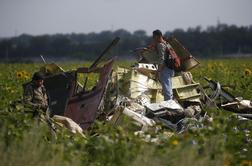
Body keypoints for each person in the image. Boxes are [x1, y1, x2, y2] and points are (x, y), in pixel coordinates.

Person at [149, 29, 175, 100]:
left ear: (158, 36)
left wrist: (158, 71)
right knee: (169, 88)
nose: (153, 38)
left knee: (166, 90)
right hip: (170, 68)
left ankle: (168, 106)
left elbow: (162, 59)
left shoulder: (160, 45)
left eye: (154, 36)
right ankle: (170, 104)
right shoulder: (166, 43)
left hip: (165, 69)